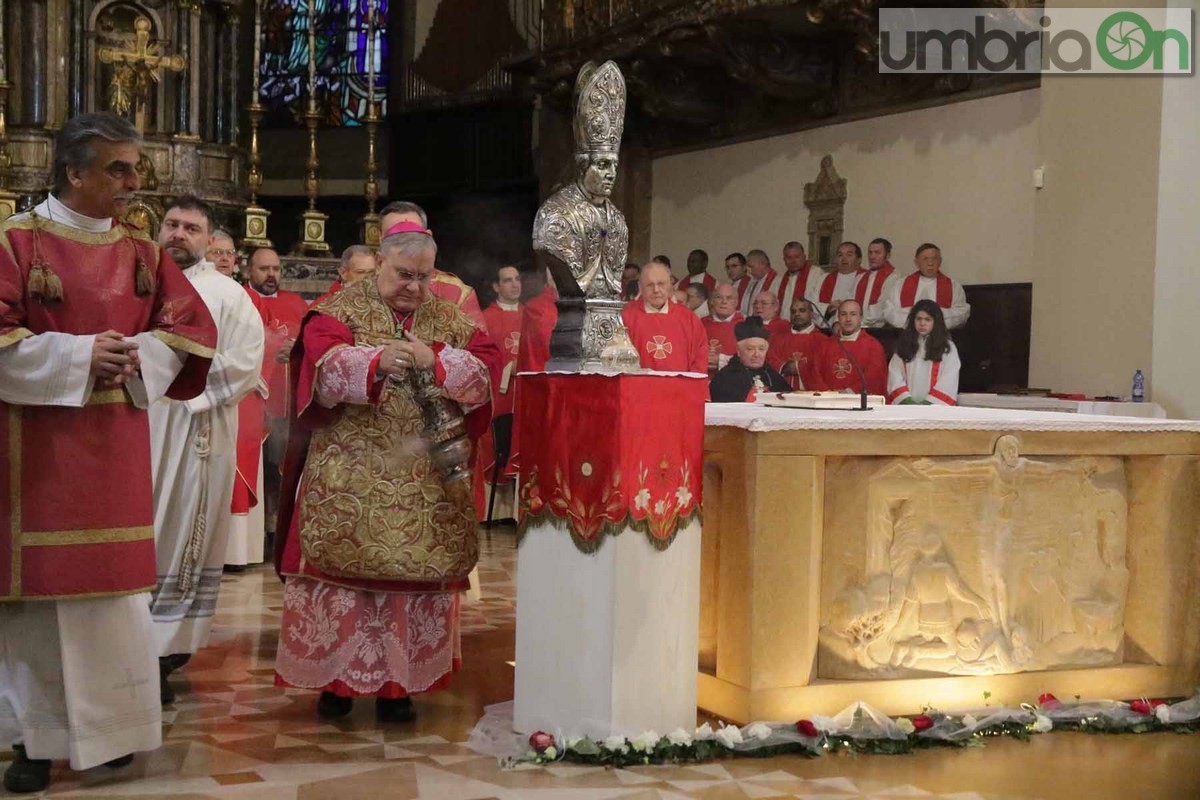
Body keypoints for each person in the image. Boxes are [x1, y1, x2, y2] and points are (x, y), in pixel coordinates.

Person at [0, 112, 217, 793]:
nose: (134, 181)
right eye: (119, 168)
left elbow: (191, 329)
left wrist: (134, 357)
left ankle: (111, 737)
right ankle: (33, 740)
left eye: (135, 167)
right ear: (74, 171)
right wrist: (75, 355)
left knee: (113, 600)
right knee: (39, 605)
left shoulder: (141, 252)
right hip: (35, 454)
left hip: (115, 448)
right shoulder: (15, 242)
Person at [273, 221, 501, 723]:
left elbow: (485, 374)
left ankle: (400, 690)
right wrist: (374, 362)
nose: (414, 288)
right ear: (380, 262)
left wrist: (435, 361)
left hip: (424, 480)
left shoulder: (448, 317)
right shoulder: (337, 309)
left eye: (423, 277)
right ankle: (336, 685)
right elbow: (322, 366)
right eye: (404, 275)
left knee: (411, 585)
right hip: (349, 475)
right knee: (343, 584)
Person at [148, 197, 264, 704]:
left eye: (190, 228)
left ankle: (161, 652)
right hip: (133, 426)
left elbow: (244, 363)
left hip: (193, 430)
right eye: (171, 224)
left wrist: (174, 383)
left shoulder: (228, 294)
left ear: (209, 239)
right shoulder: (136, 280)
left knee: (178, 533)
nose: (178, 234)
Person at [243, 246, 308, 543]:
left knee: (285, 468)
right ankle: (260, 535)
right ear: (248, 271)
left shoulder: (296, 303)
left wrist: (296, 349)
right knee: (262, 469)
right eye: (264, 268)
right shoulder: (242, 300)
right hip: (256, 402)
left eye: (276, 269)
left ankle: (280, 530)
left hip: (288, 402)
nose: (271, 275)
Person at [381, 200, 486, 328]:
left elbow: (479, 346)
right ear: (381, 240)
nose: (406, 244)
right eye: (395, 237)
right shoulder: (355, 290)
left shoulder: (458, 293)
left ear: (428, 237)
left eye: (413, 236)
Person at [476, 263, 523, 519]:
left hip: (525, 396)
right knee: (495, 447)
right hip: (500, 394)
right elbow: (482, 358)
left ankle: (518, 513)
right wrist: (507, 368)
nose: (514, 284)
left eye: (517, 279)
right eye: (507, 280)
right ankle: (497, 514)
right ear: (496, 286)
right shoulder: (486, 318)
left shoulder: (531, 316)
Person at [621, 260, 708, 373]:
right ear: (640, 287)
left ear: (670, 285)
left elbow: (700, 357)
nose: (656, 290)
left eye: (661, 284)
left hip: (679, 388)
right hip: (639, 387)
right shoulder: (626, 317)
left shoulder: (689, 319)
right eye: (650, 285)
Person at [887, 299, 961, 405]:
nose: (922, 323)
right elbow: (895, 376)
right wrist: (907, 401)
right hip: (907, 409)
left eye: (927, 319)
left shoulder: (947, 348)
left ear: (936, 322)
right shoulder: (904, 345)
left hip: (935, 409)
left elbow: (949, 379)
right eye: (918, 319)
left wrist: (927, 404)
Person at [883, 243, 971, 330]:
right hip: (908, 336)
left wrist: (933, 324)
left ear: (940, 262)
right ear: (916, 262)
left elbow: (962, 313)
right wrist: (916, 326)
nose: (930, 263)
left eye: (934, 259)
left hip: (940, 337)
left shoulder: (953, 286)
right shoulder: (900, 285)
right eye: (925, 259)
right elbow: (889, 311)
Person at [813, 299, 887, 396]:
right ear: (838, 318)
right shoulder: (825, 345)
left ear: (861, 318)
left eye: (853, 314)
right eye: (843, 314)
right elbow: (814, 372)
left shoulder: (873, 346)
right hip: (826, 403)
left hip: (857, 403)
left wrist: (849, 392)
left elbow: (874, 377)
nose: (848, 319)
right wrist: (828, 394)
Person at [709, 316, 791, 403]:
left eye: (761, 349)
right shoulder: (724, 379)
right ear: (739, 351)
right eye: (750, 349)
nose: (756, 354)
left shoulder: (774, 378)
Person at [766, 297, 827, 391]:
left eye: (802, 310)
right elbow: (769, 359)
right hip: (780, 392)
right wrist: (784, 367)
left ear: (811, 314)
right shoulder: (777, 338)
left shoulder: (823, 340)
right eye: (793, 312)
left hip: (811, 393)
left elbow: (823, 365)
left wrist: (799, 367)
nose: (797, 314)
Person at [812, 241, 867, 324]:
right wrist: (828, 307)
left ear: (859, 259)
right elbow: (811, 303)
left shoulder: (866, 278)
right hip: (828, 329)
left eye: (849, 255)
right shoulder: (824, 278)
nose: (844, 259)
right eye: (840, 255)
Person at [856, 237, 899, 328]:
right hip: (857, 326)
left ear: (887, 256)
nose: (872, 257)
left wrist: (858, 323)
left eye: (877, 253)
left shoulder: (894, 277)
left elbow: (882, 306)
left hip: (879, 330)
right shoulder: (860, 277)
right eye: (870, 252)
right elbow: (850, 301)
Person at [702, 282, 744, 373]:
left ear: (736, 302)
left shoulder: (746, 326)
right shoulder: (700, 324)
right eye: (719, 297)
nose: (724, 302)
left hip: (733, 378)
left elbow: (750, 358)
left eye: (729, 298)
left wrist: (721, 361)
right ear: (712, 301)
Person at [776, 241, 817, 315]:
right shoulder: (779, 279)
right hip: (783, 323)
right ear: (784, 260)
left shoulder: (816, 274)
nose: (793, 261)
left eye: (797, 257)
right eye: (789, 258)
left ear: (804, 257)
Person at [739, 249, 778, 316]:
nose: (749, 270)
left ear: (762, 264)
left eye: (751, 266)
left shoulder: (776, 282)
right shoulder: (752, 282)